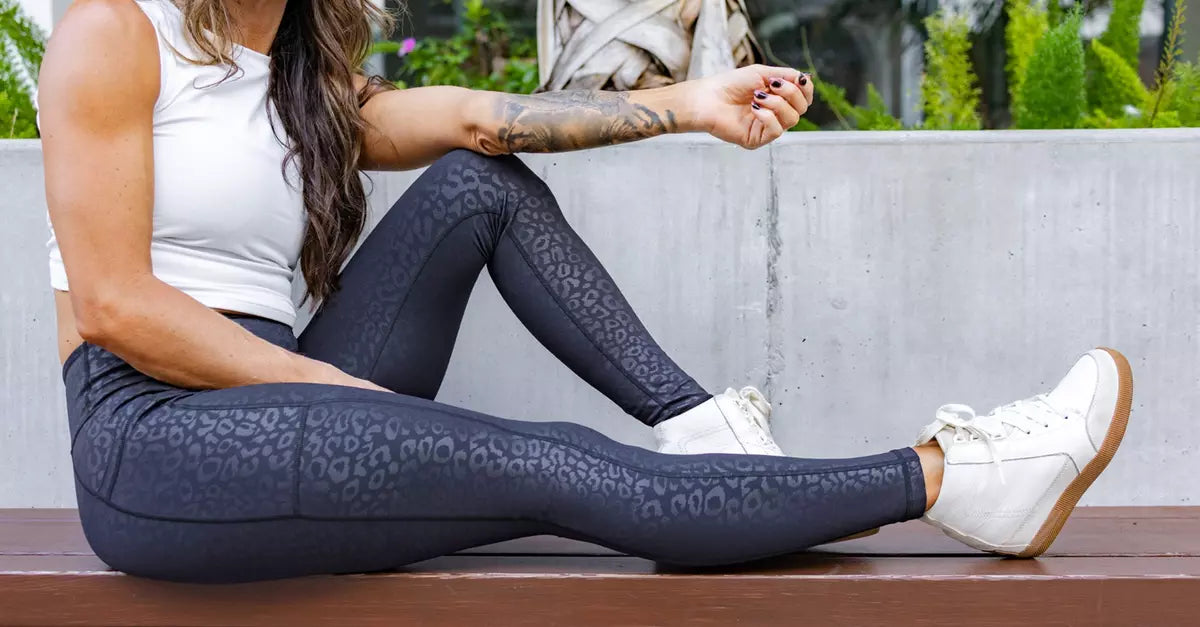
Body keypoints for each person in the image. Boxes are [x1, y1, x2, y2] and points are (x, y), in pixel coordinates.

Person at [38, 0, 1133, 583]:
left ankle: (701, 429)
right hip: (156, 437)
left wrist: (691, 103)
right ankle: (952, 477)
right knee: (558, 463)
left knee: (477, 183)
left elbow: (483, 123)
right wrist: (329, 389)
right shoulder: (115, 32)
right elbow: (114, 306)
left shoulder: (297, 82)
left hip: (284, 394)